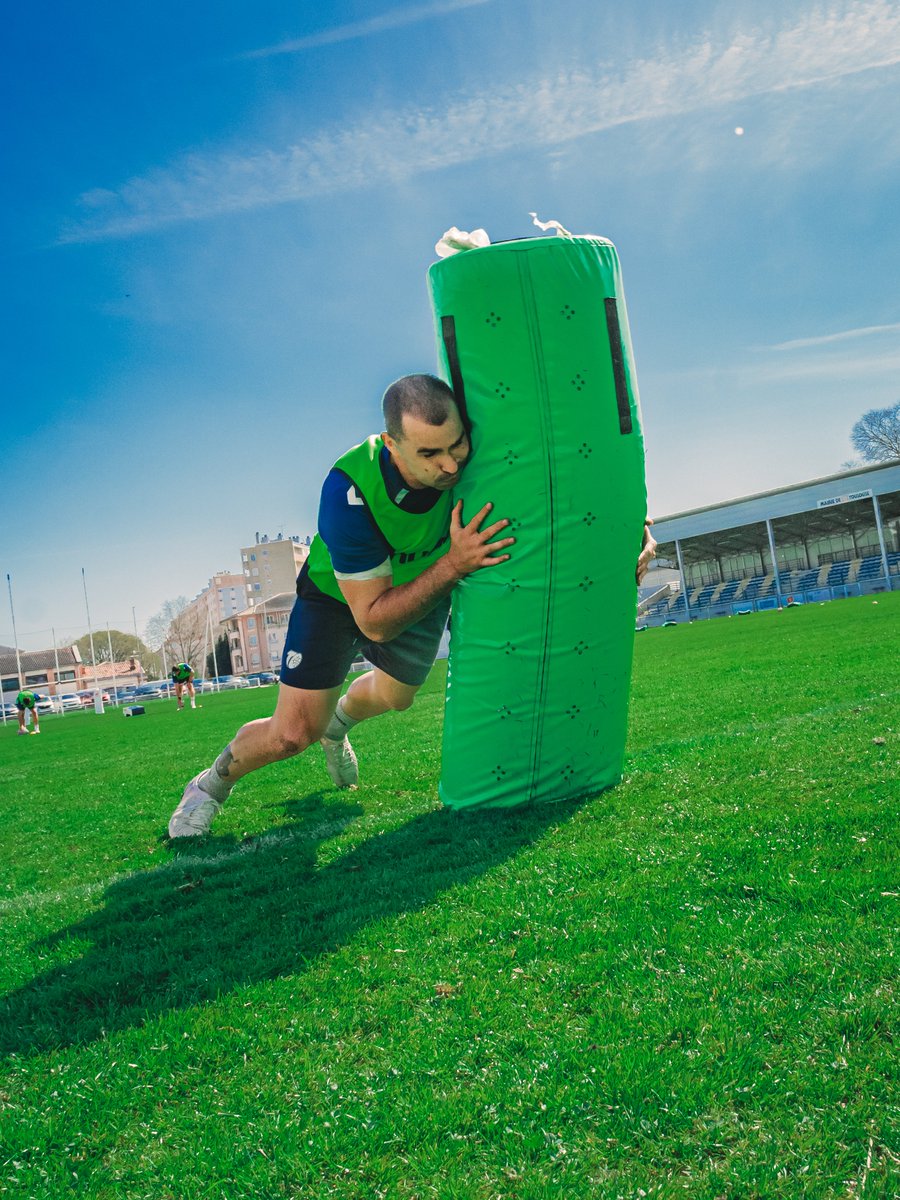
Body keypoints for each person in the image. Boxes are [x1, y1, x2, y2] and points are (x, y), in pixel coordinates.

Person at [168, 374, 656, 838]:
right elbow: (375, 621)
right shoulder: (349, 491)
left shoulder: (474, 457)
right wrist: (454, 566)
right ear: (391, 443)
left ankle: (336, 728)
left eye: (455, 444)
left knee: (396, 698)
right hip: (340, 599)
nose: (449, 465)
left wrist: (636, 530)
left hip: (427, 580)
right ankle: (210, 785)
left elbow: (558, 482)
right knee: (292, 734)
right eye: (429, 453)